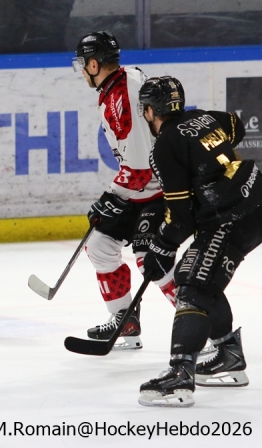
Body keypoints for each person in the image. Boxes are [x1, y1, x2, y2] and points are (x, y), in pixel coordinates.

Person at [137, 76, 260, 407]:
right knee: (200, 274)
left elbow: (181, 217)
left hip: (231, 215)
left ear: (151, 111)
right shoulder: (203, 117)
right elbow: (235, 126)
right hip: (253, 199)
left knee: (192, 285)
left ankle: (180, 375)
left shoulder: (164, 146)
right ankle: (227, 354)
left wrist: (161, 247)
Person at [73, 31, 176, 350]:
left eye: (83, 64)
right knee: (99, 244)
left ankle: (207, 325)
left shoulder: (121, 99)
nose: (82, 71)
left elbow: (141, 170)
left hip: (160, 190)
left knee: (151, 260)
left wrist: (109, 196)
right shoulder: (125, 79)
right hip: (141, 189)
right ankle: (125, 321)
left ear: (93, 64)